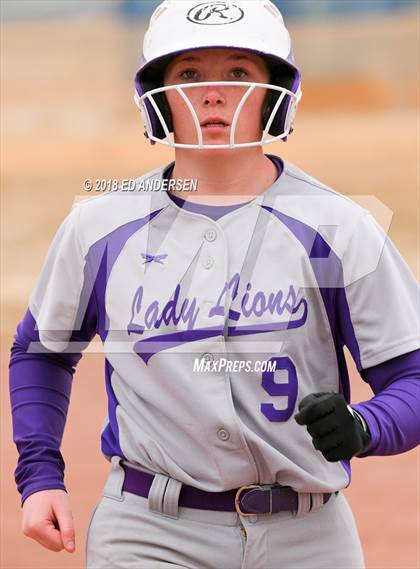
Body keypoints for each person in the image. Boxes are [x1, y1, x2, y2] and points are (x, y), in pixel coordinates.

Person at [9, 1, 419, 568]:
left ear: (277, 92)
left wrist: (363, 425)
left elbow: (412, 378)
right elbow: (42, 353)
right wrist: (39, 475)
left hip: (308, 537)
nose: (214, 93)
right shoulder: (100, 226)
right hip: (148, 532)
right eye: (189, 75)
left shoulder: (339, 226)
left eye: (239, 73)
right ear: (158, 98)